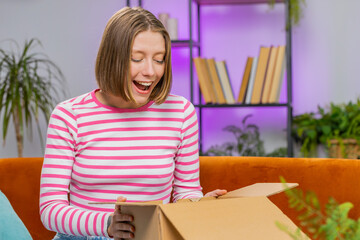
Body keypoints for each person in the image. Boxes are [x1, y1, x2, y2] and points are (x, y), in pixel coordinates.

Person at [39, 6, 226, 240]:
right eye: (137, 59)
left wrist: (200, 205)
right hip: (85, 236)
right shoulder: (69, 116)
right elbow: (50, 210)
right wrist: (107, 224)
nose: (150, 71)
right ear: (112, 57)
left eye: (159, 60)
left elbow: (186, 192)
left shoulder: (180, 113)